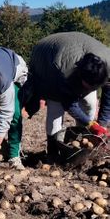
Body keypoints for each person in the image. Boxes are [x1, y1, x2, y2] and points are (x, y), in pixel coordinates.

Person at [25, 32, 110, 160]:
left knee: (90, 104)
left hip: (76, 47)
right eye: (88, 87)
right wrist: (90, 123)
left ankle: (84, 146)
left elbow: (108, 93)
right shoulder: (62, 71)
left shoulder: (107, 64)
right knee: (56, 108)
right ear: (81, 76)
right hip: (47, 57)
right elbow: (69, 103)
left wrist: (101, 123)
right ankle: (52, 151)